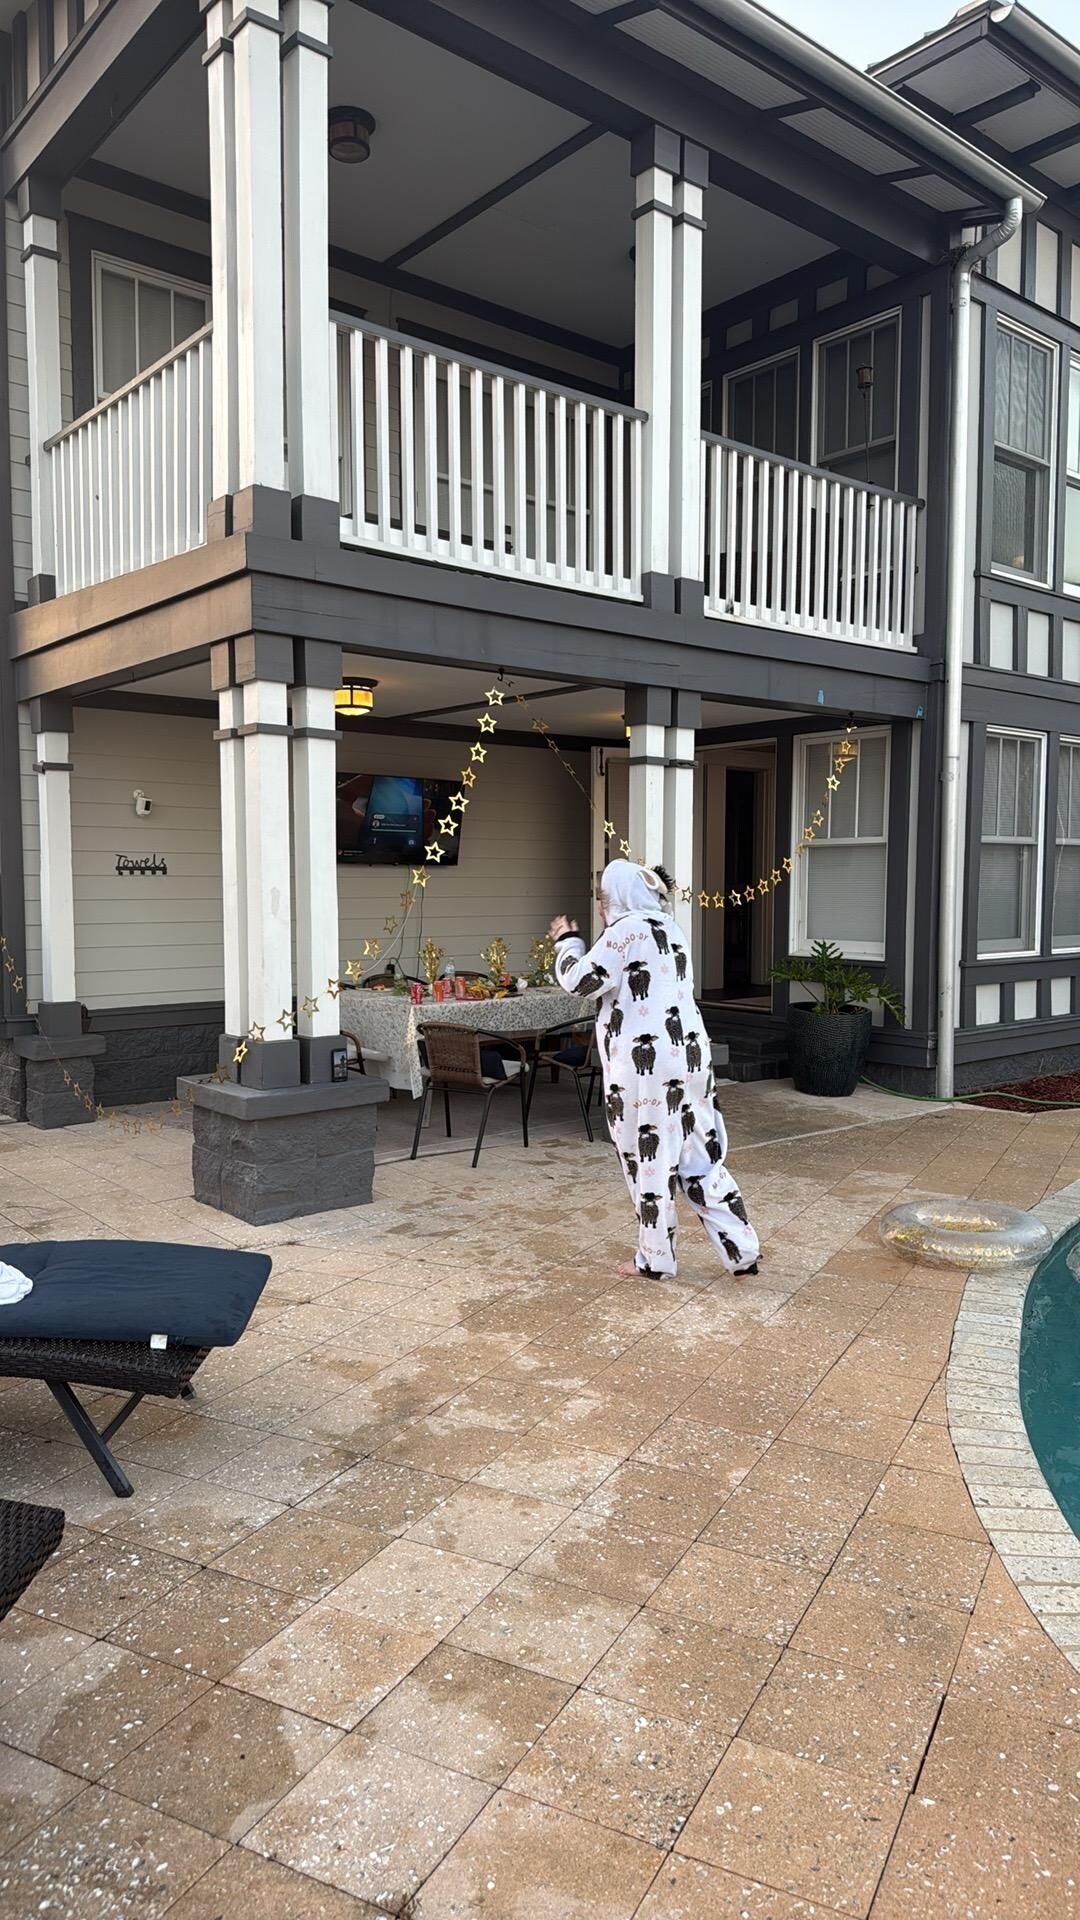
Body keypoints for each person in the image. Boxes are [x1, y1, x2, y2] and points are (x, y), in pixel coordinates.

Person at [550, 859, 759, 1280]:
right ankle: (742, 1252)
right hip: (691, 1056)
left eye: (603, 896)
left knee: (648, 1158)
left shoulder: (624, 933)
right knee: (701, 1154)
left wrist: (567, 943)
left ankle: (655, 1259)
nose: (601, 905)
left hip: (646, 1071)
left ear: (619, 897)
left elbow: (580, 982)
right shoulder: (671, 928)